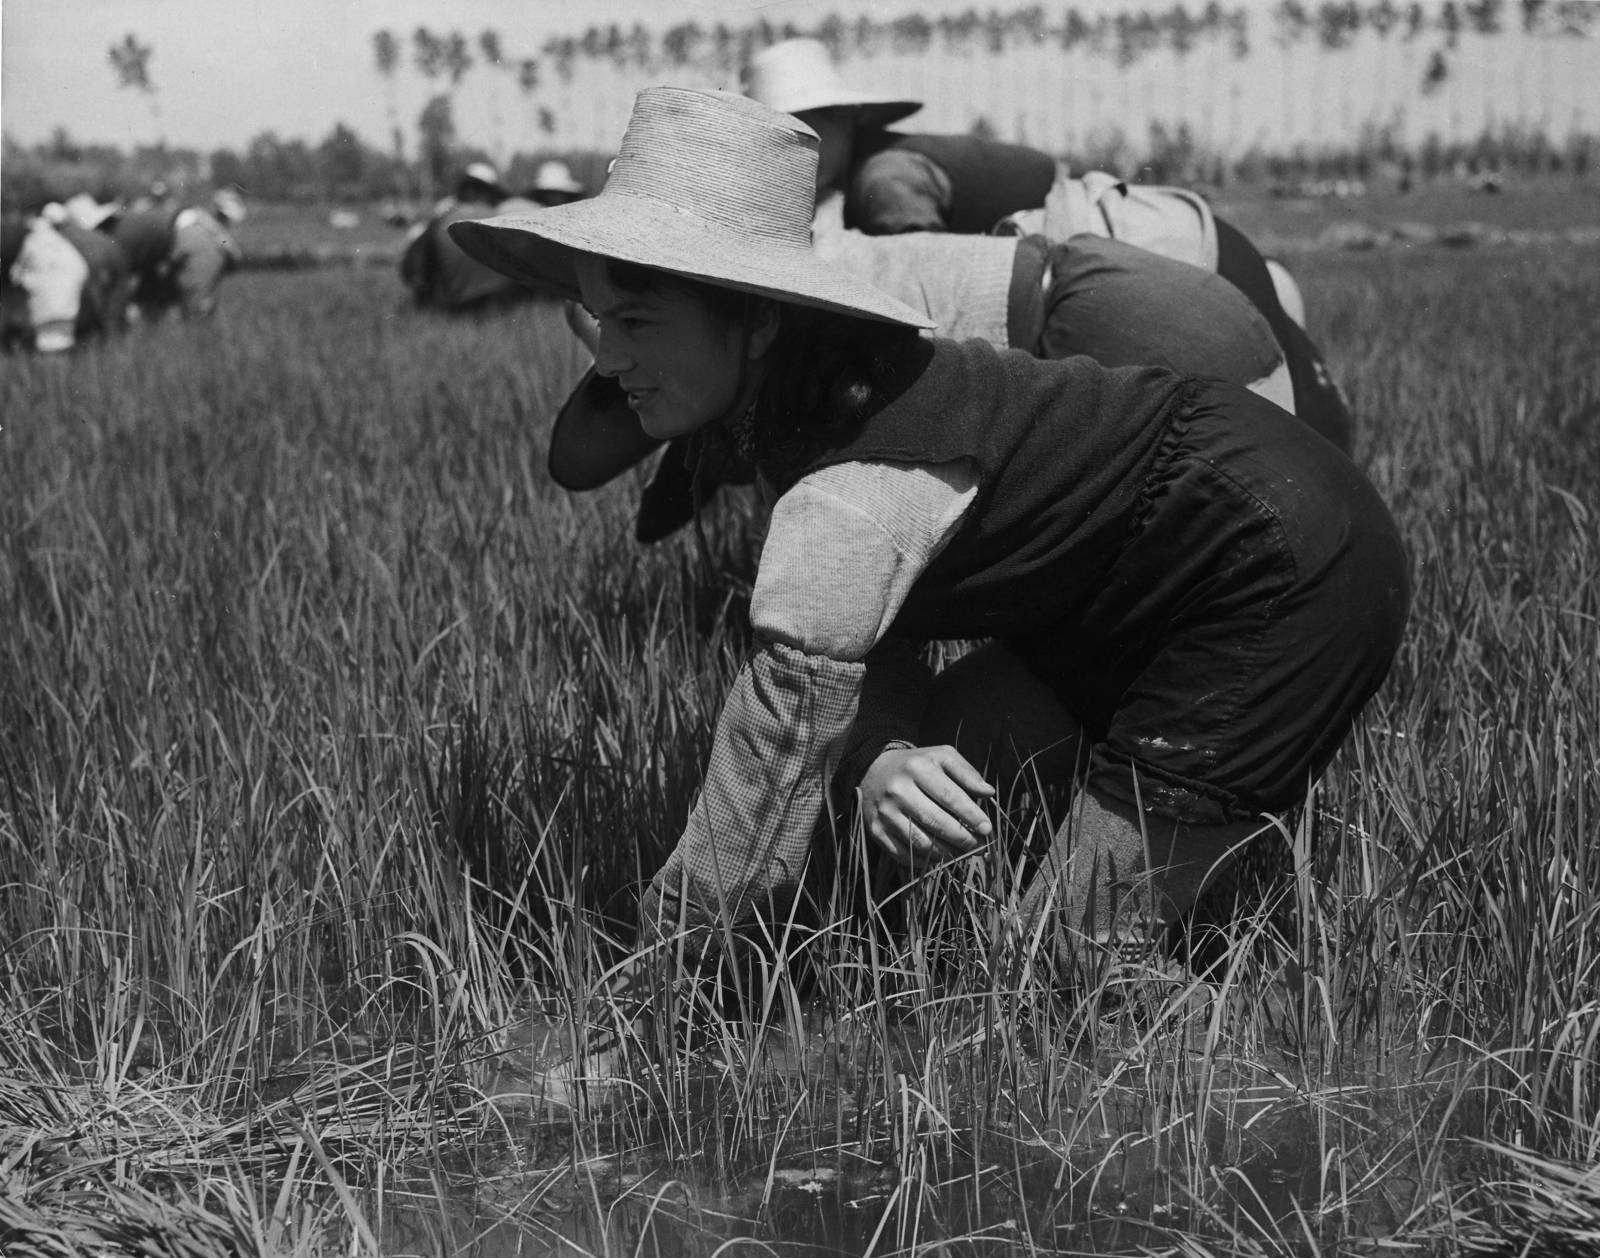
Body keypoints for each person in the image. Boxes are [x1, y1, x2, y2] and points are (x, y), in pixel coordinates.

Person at [450, 89, 1409, 1050]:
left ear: (753, 320)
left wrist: (647, 1004)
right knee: (909, 812)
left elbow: (770, 757)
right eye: (598, 319)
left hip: (1274, 569)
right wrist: (878, 755)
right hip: (1134, 584)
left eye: (639, 323)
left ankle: (1315, 1074)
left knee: (1068, 959)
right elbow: (886, 632)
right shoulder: (814, 400)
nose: (608, 359)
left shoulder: (852, 476)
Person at [747, 37, 1353, 452]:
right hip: (1156, 255)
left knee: (1301, 440)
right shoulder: (887, 165)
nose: (799, 144)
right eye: (781, 132)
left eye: (812, 123)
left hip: (1174, 256)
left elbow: (924, 321)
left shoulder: (887, 182)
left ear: (850, 122)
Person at [553, 226, 1298, 542]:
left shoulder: (809, 359)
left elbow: (581, 456)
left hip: (1105, 328)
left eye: (637, 328)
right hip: (1146, 295)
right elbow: (576, 460)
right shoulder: (775, 289)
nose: (618, 362)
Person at [400, 162, 546, 311]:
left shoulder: (443, 214)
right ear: (488, 192)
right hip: (505, 302)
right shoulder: (499, 215)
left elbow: (414, 269)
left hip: (457, 305)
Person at [112, 187, 245, 321]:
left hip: (148, 245)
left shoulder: (202, 222)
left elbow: (219, 235)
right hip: (140, 243)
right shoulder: (199, 226)